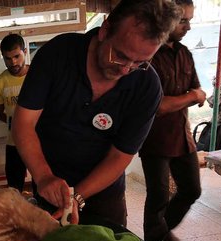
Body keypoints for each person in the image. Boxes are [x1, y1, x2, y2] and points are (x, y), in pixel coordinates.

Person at [12, 0, 182, 226]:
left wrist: (77, 197)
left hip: (105, 194)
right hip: (49, 184)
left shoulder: (147, 87)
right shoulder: (57, 55)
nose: (125, 69)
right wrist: (43, 176)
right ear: (105, 29)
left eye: (140, 62)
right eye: (120, 55)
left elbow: (120, 155)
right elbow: (23, 123)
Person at [138, 0, 203, 241]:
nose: (188, 26)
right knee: (158, 196)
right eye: (184, 20)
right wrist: (190, 96)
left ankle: (162, 232)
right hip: (153, 138)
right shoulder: (148, 55)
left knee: (192, 190)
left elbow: (197, 92)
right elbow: (159, 106)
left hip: (182, 135)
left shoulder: (185, 53)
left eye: (190, 20)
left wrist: (189, 96)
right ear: (169, 18)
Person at [0, 34, 29, 192]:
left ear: (24, 52)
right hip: (14, 143)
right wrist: (16, 123)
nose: (13, 62)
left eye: (16, 56)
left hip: (41, 140)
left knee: (42, 186)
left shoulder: (37, 76)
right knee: (14, 189)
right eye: (7, 58)